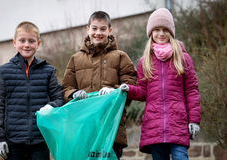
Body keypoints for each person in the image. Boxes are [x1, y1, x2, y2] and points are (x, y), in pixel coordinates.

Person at [119, 8, 201, 160]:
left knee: (181, 157)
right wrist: (128, 89)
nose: (161, 33)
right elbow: (144, 92)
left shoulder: (183, 58)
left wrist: (194, 120)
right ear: (151, 33)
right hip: (154, 126)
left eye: (165, 29)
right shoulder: (145, 62)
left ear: (171, 32)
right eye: (156, 29)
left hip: (178, 124)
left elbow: (191, 91)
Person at [62, 11, 136, 159]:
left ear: (110, 30)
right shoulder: (75, 59)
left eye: (103, 29)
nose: (98, 33)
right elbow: (65, 88)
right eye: (94, 28)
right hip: (84, 128)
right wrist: (73, 94)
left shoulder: (121, 57)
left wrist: (114, 91)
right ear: (87, 29)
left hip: (112, 129)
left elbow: (131, 87)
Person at [0, 21, 63, 160]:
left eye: (31, 41)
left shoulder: (48, 71)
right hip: (13, 142)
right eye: (22, 40)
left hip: (40, 140)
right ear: (14, 43)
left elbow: (59, 98)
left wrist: (50, 106)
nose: (26, 45)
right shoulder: (3, 71)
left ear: (38, 43)